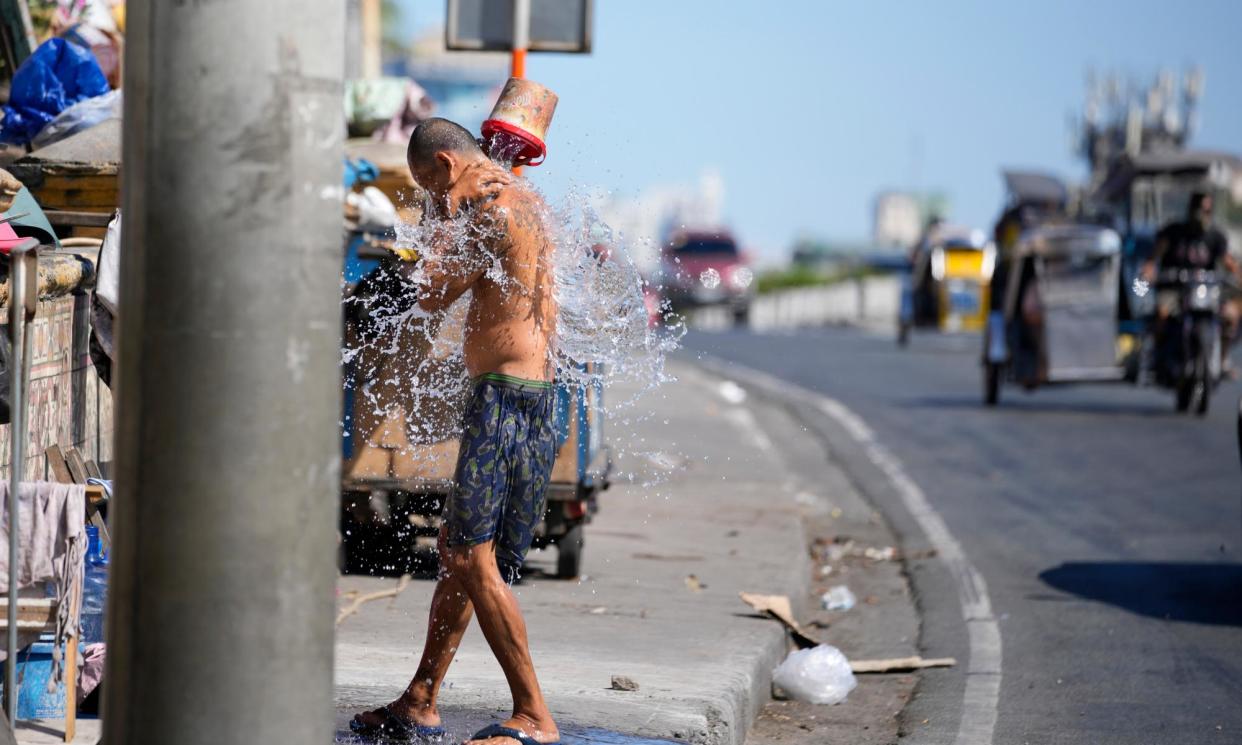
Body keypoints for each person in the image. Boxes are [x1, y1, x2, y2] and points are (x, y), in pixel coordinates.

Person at [351, 118, 561, 745]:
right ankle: (421, 699)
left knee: (470, 556)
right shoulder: (524, 201)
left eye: (427, 186)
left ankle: (533, 715)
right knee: (466, 557)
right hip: (536, 398)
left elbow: (431, 292)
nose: (430, 199)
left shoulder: (491, 211)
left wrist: (359, 304)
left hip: (505, 403)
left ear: (445, 165)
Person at [1141, 192, 1242, 374]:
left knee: (1230, 316)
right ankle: (1155, 356)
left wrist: (1237, 276)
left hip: (1205, 291)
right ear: (1190, 210)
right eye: (1200, 210)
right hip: (1174, 289)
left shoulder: (1215, 236)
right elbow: (1154, 257)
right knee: (1161, 315)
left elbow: (1229, 262)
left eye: (1207, 210)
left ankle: (1222, 360)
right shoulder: (1174, 232)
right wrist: (1148, 272)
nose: (1203, 215)